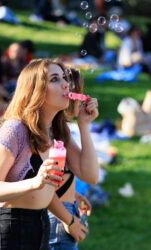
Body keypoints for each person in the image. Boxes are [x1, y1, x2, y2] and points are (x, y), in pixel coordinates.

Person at [0, 59, 99, 249]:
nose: (66, 84)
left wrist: (84, 125)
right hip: (11, 229)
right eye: (54, 79)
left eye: (64, 78)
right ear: (36, 90)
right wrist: (35, 183)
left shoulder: (56, 132)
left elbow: (91, 176)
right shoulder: (14, 130)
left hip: (41, 227)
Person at [48, 67, 93, 249]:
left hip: (62, 210)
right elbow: (38, 183)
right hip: (58, 216)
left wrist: (73, 193)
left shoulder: (58, 129)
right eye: (80, 90)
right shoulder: (49, 131)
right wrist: (69, 220)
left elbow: (90, 175)